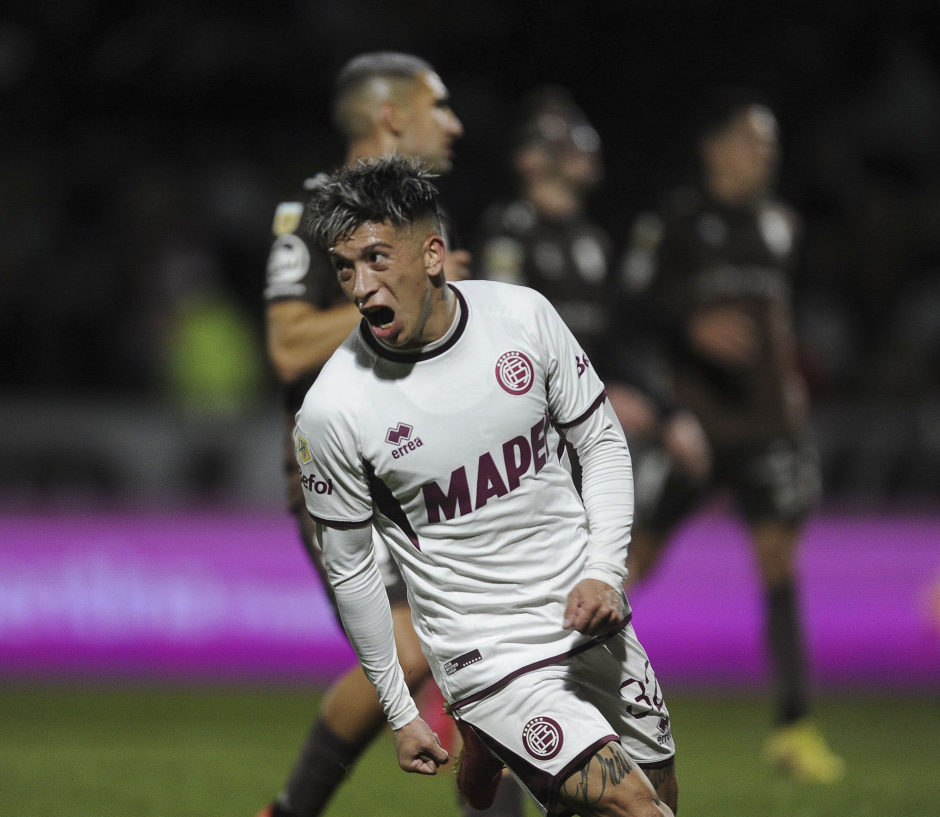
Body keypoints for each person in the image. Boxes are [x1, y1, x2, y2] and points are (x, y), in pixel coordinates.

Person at [294, 154, 678, 817]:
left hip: (586, 616)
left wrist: (604, 572)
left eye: (377, 260)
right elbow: (352, 569)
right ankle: (485, 724)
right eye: (346, 268)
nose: (361, 286)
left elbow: (602, 440)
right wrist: (399, 707)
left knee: (664, 790)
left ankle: (486, 750)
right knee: (640, 809)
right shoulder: (335, 407)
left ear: (434, 254)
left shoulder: (523, 318)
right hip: (487, 653)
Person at [260, 53, 524, 817]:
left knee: (471, 650)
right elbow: (286, 344)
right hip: (343, 473)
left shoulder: (421, 219)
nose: (455, 123)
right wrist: (397, 289)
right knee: (415, 653)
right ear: (391, 117)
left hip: (424, 467)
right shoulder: (309, 213)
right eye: (438, 106)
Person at [617, 88, 844, 783]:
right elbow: (630, 308)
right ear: (715, 147)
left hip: (768, 425)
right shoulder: (678, 224)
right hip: (698, 428)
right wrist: (690, 330)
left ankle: (795, 728)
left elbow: (775, 319)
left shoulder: (780, 224)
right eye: (752, 139)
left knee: (779, 558)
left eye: (770, 142)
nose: (765, 154)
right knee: (634, 563)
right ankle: (547, 687)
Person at [475, 86, 709, 491]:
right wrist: (591, 402)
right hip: (527, 426)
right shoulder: (507, 232)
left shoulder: (592, 243)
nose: (578, 146)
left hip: (583, 416)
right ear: (529, 159)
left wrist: (666, 411)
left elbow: (608, 340)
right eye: (558, 139)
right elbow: (507, 344)